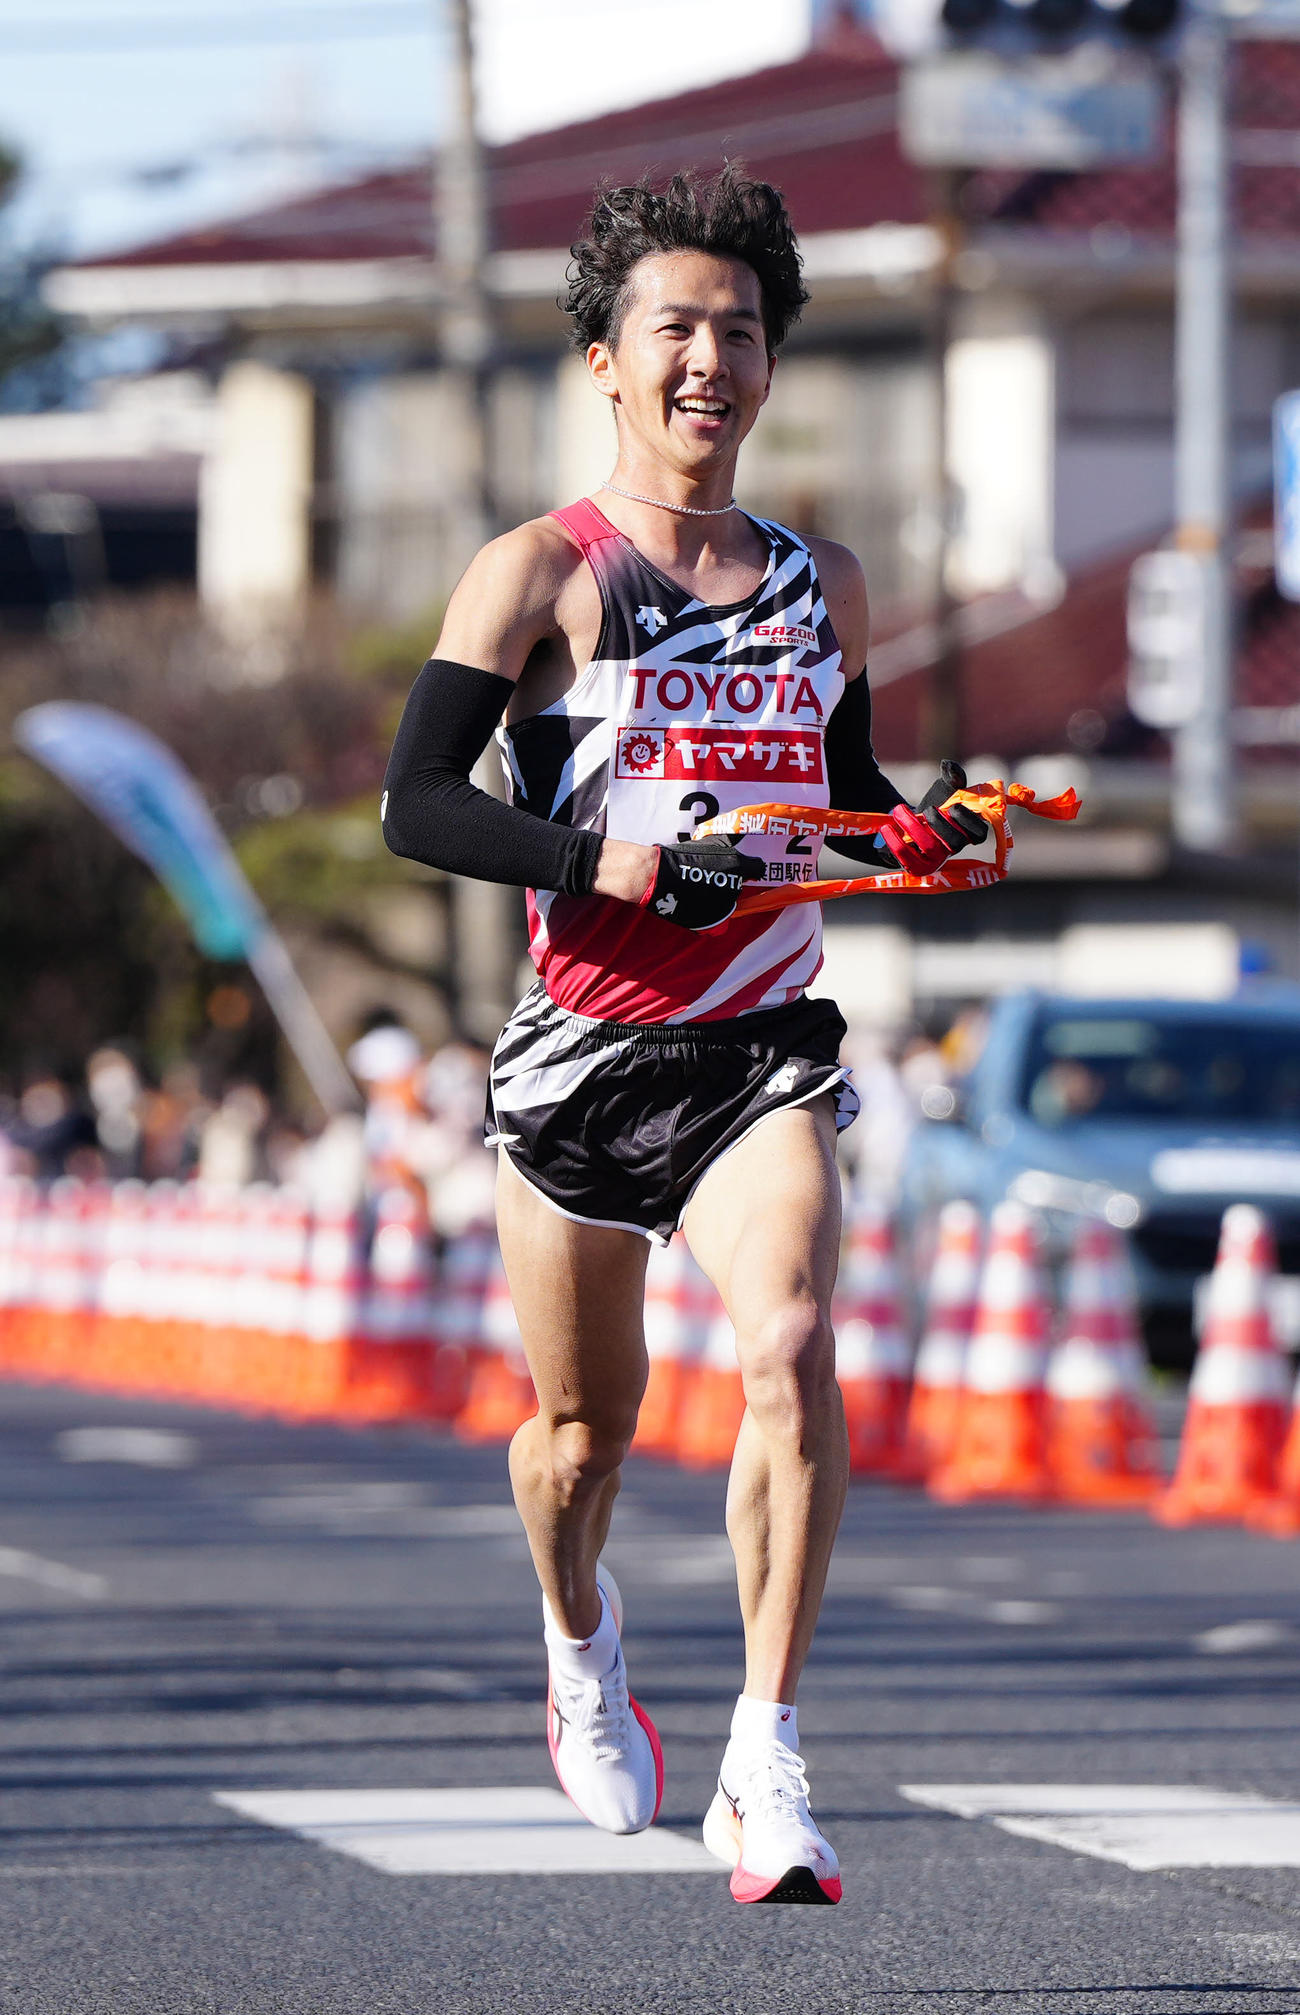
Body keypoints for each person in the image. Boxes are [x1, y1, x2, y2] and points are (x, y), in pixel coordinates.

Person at [382, 166, 984, 1906]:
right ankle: (580, 1649)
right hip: (580, 1053)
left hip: (757, 1046)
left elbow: (840, 799)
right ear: (605, 359)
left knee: (791, 1341)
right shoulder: (539, 575)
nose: (709, 359)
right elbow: (419, 806)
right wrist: (611, 857)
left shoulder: (823, 584)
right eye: (676, 330)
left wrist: (925, 830)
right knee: (583, 1438)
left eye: (741, 331)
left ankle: (766, 1761)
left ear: (774, 368)